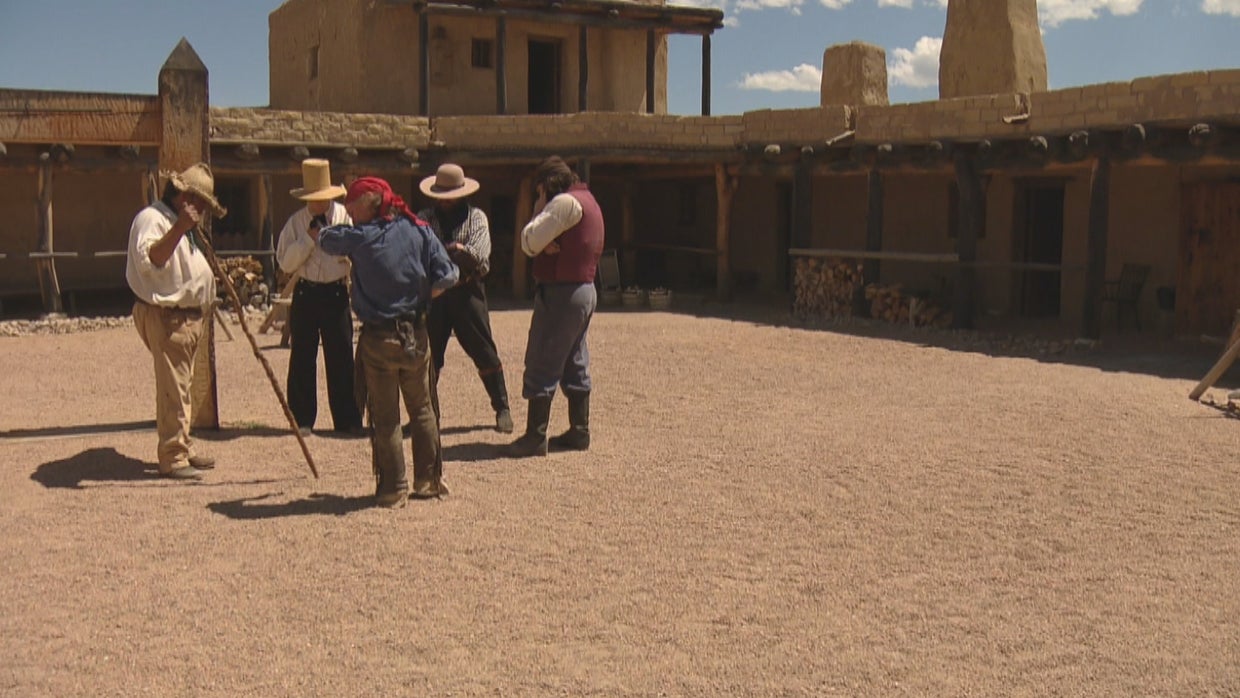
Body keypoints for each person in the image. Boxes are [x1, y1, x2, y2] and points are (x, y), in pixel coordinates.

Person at [319, 176, 459, 507]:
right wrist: (422, 297)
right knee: (423, 408)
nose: (350, 216)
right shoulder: (420, 229)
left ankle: (394, 487)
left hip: (379, 336)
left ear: (363, 207)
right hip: (417, 332)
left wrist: (346, 225)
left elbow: (326, 238)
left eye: (352, 209)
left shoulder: (361, 237)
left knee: (385, 416)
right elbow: (449, 274)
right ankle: (427, 480)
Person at [125, 162, 226, 480]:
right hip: (168, 316)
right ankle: (172, 455)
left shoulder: (180, 225)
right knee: (173, 387)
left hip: (189, 317)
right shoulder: (152, 219)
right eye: (199, 203)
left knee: (182, 386)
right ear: (183, 197)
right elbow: (151, 260)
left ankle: (183, 443)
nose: (202, 211)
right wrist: (181, 227)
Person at [506, 156, 604, 458]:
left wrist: (538, 209)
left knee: (543, 356)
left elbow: (529, 241)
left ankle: (535, 436)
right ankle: (579, 431)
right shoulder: (588, 200)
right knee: (575, 359)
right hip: (584, 288)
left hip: (562, 291)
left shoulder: (564, 203)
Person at [418, 163, 513, 434]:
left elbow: (478, 255)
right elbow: (419, 251)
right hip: (436, 293)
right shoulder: (425, 217)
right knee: (429, 355)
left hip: (467, 290)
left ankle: (502, 406)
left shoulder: (476, 217)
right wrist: (454, 251)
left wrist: (447, 253)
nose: (444, 201)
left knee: (483, 349)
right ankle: (424, 415)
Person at [276, 158, 363, 436]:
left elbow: (356, 250)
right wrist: (308, 240)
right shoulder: (295, 223)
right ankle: (301, 419)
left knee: (341, 358)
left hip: (336, 292)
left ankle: (347, 420)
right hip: (306, 293)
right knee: (302, 356)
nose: (316, 204)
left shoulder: (344, 218)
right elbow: (285, 262)